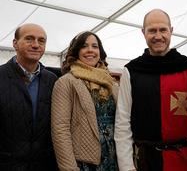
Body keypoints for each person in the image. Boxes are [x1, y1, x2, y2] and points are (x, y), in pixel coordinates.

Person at [114, 9, 187, 171]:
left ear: (171, 31)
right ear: (143, 33)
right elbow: (122, 123)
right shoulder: (132, 71)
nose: (158, 36)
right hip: (145, 162)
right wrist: (127, 167)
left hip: (182, 161)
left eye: (163, 30)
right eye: (152, 31)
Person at [51, 31, 118, 171]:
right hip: (84, 162)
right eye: (84, 46)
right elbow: (60, 130)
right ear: (76, 51)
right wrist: (69, 168)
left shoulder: (111, 82)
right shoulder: (66, 82)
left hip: (115, 156)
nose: (90, 50)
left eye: (95, 46)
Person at [0, 23, 58, 170]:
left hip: (44, 165)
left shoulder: (52, 80)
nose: (36, 45)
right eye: (29, 39)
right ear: (15, 43)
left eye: (41, 41)